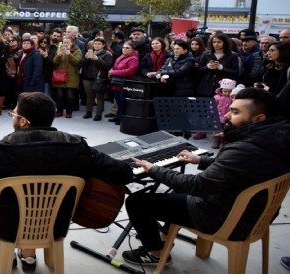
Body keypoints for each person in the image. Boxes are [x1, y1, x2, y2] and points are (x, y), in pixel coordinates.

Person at [0, 92, 133, 264]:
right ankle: (28, 253)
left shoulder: (0, 151)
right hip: (56, 225)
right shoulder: (77, 146)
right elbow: (124, 173)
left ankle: (0, 249)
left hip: (10, 227)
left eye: (13, 114)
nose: (12, 117)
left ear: (23, 121)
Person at [122, 88, 290, 266]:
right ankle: (163, 236)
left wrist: (153, 169)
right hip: (258, 213)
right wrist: (200, 160)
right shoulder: (275, 137)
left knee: (137, 202)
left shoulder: (244, 149)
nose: (226, 116)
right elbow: (237, 169)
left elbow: (197, 185)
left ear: (258, 119)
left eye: (235, 112)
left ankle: (155, 253)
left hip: (226, 218)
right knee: (176, 189)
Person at [80, 37, 113, 121]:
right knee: (89, 96)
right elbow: (82, 64)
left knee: (100, 97)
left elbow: (107, 66)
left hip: (99, 78)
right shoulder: (89, 52)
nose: (97, 45)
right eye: (95, 43)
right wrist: (87, 58)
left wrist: (98, 59)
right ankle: (88, 112)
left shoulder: (107, 54)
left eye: (99, 44)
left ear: (103, 45)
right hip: (87, 77)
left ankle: (98, 114)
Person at [108, 41, 140, 126]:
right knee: (118, 101)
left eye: (127, 48)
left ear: (133, 50)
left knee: (122, 102)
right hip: (117, 83)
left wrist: (114, 72)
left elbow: (130, 71)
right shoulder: (120, 57)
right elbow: (115, 67)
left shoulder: (134, 59)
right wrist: (112, 70)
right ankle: (118, 117)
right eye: (123, 47)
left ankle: (121, 118)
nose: (124, 49)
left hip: (124, 84)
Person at [52, 36, 81, 118]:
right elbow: (54, 62)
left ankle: (69, 112)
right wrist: (59, 55)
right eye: (64, 42)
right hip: (59, 76)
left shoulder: (77, 50)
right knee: (59, 96)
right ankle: (59, 111)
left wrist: (69, 54)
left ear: (72, 43)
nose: (66, 44)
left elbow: (77, 62)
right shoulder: (59, 50)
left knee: (70, 96)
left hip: (72, 77)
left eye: (68, 42)